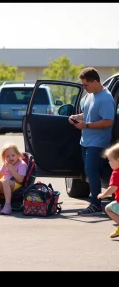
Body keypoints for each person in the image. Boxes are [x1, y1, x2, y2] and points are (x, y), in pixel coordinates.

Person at [69, 67, 115, 216]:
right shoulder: (89, 96)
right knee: (94, 172)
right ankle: (107, 199)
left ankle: (95, 204)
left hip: (98, 142)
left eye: (86, 85)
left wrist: (86, 125)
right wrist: (77, 117)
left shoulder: (106, 97)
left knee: (92, 171)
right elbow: (88, 113)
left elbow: (108, 121)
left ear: (94, 81)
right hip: (86, 141)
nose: (84, 87)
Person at [0, 142, 27, 215]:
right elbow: (0, 174)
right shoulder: (6, 164)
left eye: (13, 155)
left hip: (17, 185)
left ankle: (7, 205)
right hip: (6, 184)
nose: (10, 158)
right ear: (4, 157)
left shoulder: (22, 164)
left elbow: (20, 180)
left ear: (18, 155)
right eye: (7, 156)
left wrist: (12, 170)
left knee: (6, 182)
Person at [98, 143, 119, 238]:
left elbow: (112, 188)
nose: (109, 163)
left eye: (110, 160)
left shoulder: (116, 173)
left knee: (108, 208)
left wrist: (103, 195)